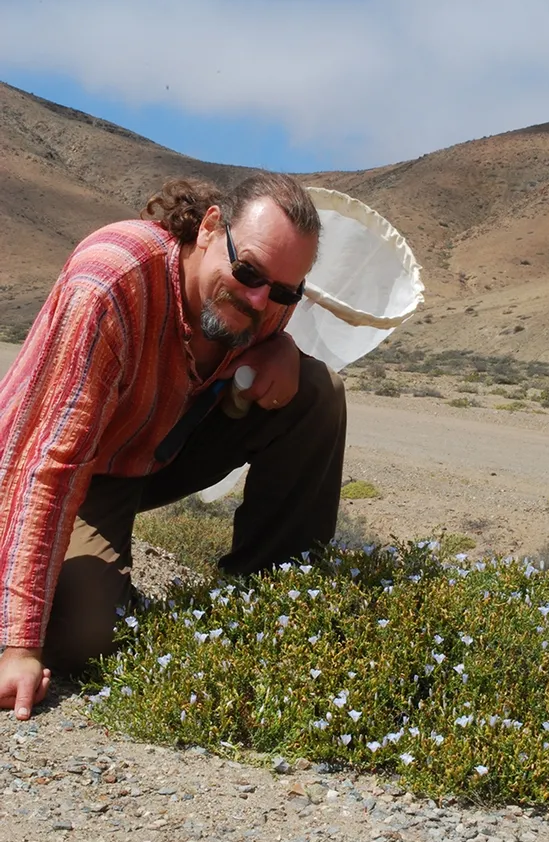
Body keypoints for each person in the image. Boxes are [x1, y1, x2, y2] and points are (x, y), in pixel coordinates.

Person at [0, 173, 347, 720]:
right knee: (83, 635)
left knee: (318, 391)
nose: (261, 299)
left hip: (154, 449)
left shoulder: (266, 294)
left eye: (284, 293)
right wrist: (18, 646)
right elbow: (52, 463)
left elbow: (269, 313)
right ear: (210, 227)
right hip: (63, 465)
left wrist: (280, 345)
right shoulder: (110, 282)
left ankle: (272, 606)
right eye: (249, 273)